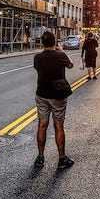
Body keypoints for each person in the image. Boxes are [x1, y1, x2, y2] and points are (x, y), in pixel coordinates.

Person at [33, 31, 74, 170]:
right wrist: (61, 51)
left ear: (42, 43)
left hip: (42, 94)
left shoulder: (37, 58)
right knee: (58, 126)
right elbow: (70, 65)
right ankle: (62, 158)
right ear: (55, 42)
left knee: (42, 125)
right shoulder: (60, 56)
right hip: (58, 95)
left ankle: (40, 158)